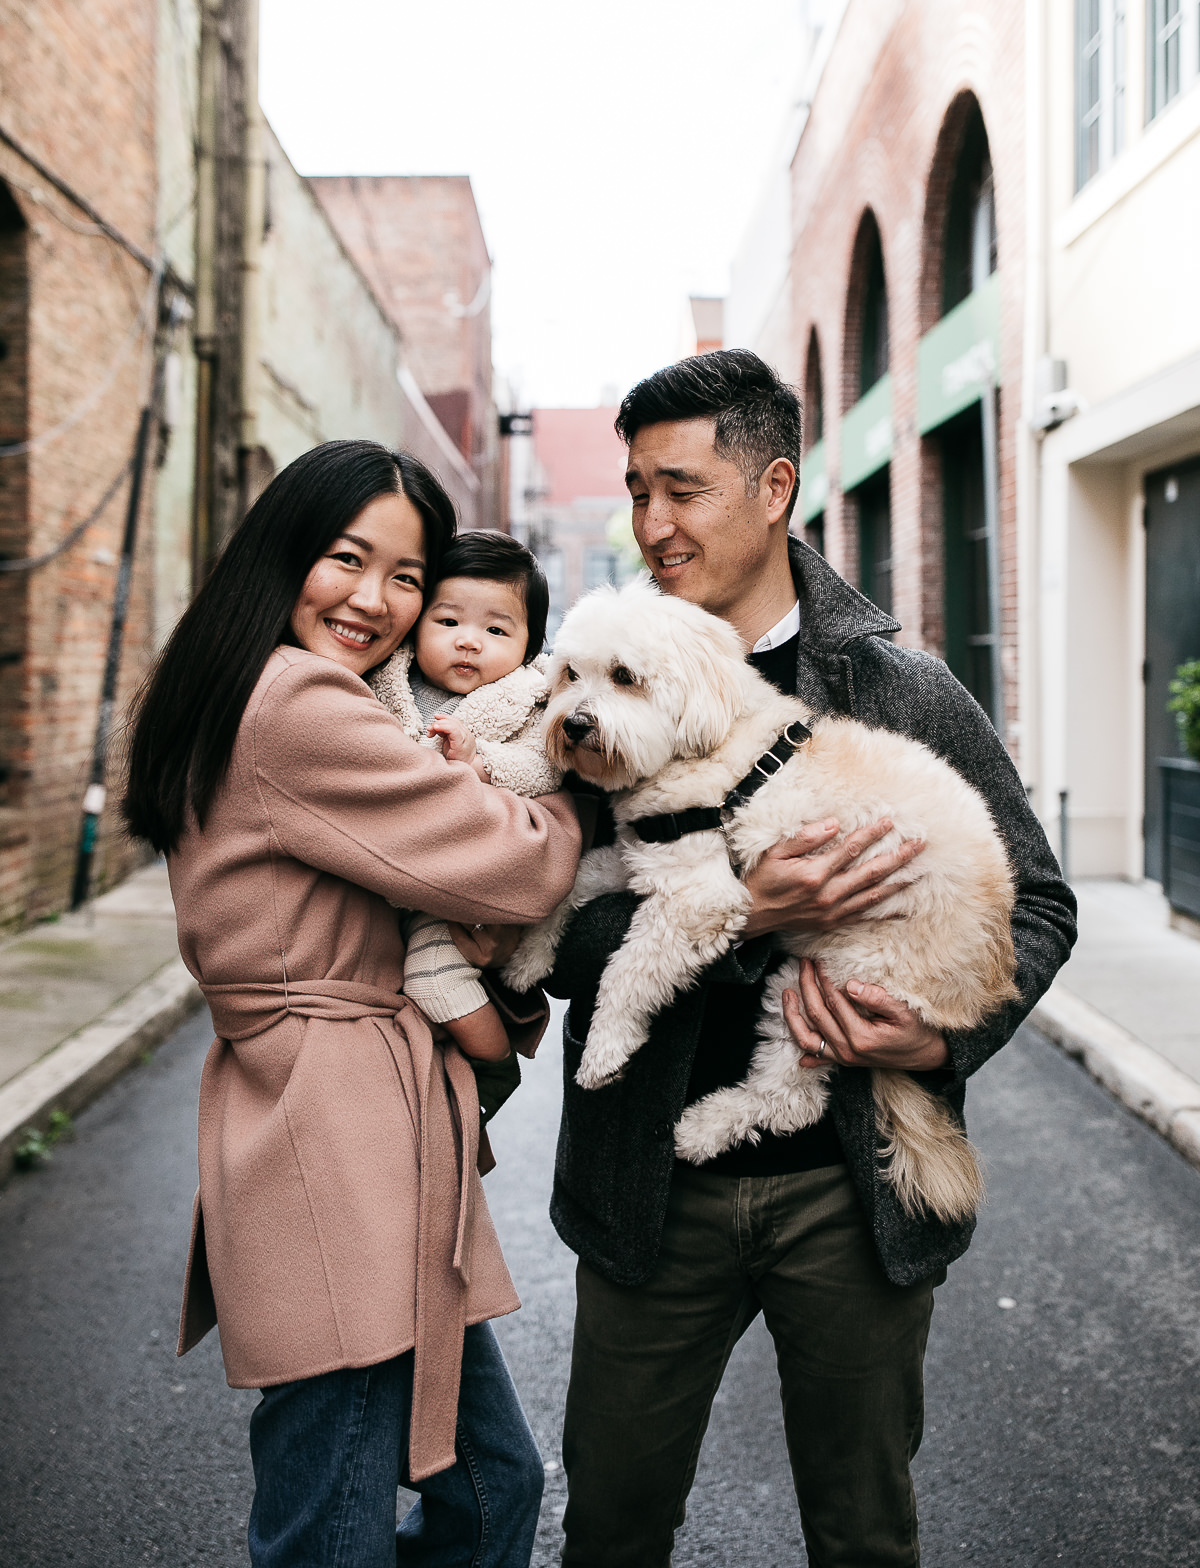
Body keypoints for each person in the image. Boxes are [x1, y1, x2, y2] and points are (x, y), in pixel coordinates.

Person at [515, 351, 1076, 1566]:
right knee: (609, 1525)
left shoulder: (900, 687)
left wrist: (941, 1038)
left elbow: (1037, 901)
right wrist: (748, 909)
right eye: (634, 491)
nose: (651, 525)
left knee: (864, 1533)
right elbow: (552, 929)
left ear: (774, 487)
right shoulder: (593, 685)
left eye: (681, 489)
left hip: (850, 1183)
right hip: (648, 1186)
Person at [122, 439, 581, 1568]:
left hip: (341, 1112)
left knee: (489, 1483)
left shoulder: (249, 679)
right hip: (336, 1133)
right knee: (335, 1514)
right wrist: (566, 806)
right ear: (287, 552)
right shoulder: (299, 702)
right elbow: (517, 865)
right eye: (345, 558)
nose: (375, 601)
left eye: (409, 578)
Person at [369, 530, 560, 1065]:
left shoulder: (527, 701)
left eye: (495, 628)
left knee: (432, 978)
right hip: (375, 883)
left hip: (451, 895)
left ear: (530, 643)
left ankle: (492, 1071)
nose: (469, 640)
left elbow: (546, 767)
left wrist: (483, 765)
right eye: (448, 621)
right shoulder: (383, 683)